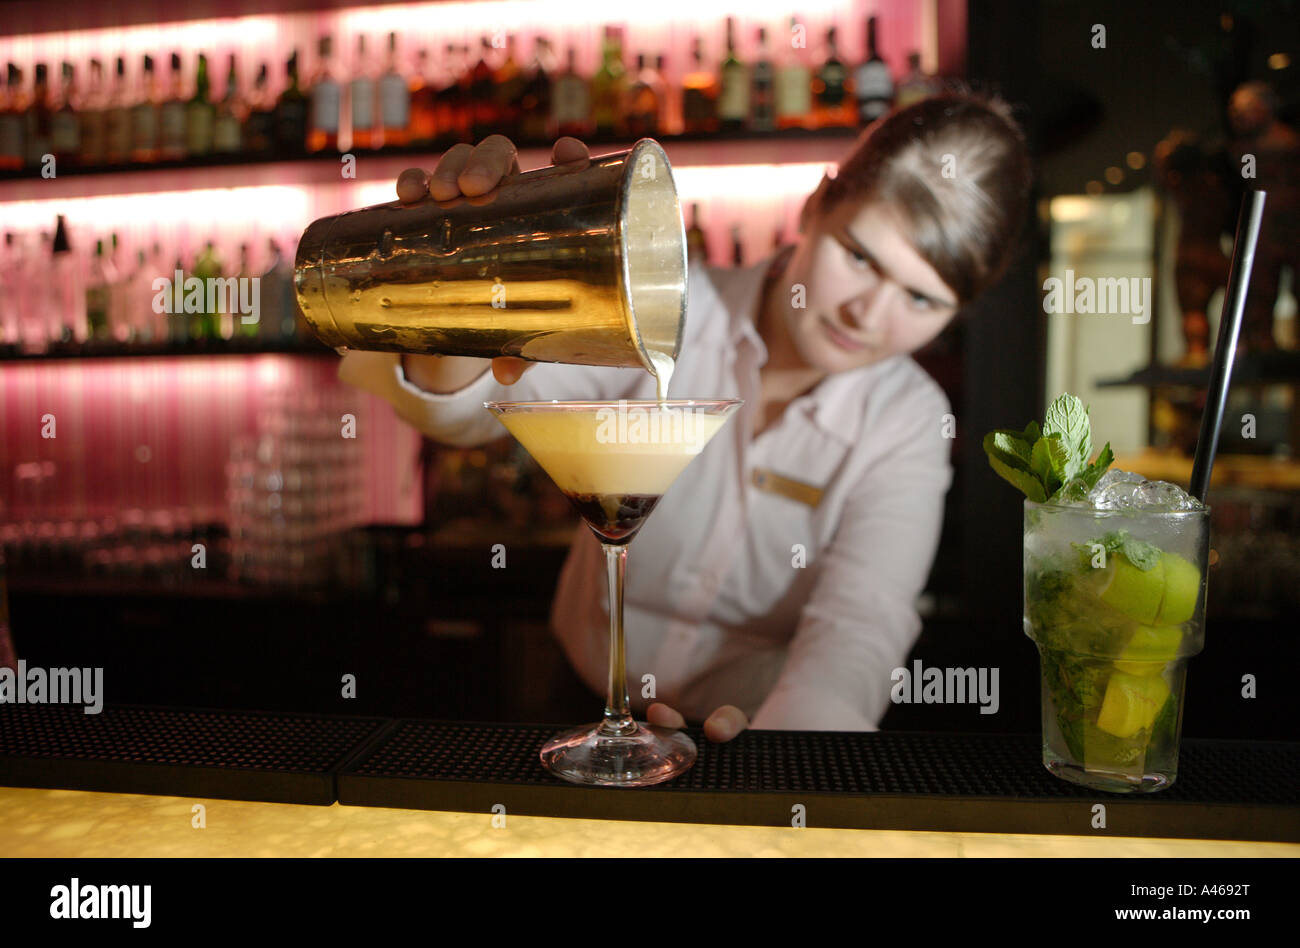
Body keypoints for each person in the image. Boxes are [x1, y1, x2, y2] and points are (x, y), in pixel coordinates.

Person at [339, 90, 1032, 741]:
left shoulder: (908, 417)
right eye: (858, 256)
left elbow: (860, 621)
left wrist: (793, 759)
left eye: (921, 299)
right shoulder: (659, 307)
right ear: (816, 205)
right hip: (573, 698)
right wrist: (457, 287)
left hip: (753, 730)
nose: (869, 315)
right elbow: (473, 410)